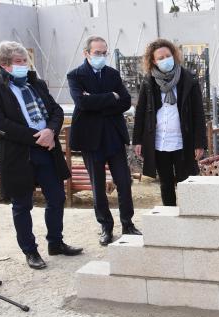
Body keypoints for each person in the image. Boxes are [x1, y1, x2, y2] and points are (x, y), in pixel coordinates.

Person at [0, 41, 82, 270]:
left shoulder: (37, 84)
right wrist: (38, 136)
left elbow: (55, 111)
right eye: (18, 62)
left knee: (56, 198)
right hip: (18, 155)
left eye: (25, 61)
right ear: (3, 65)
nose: (24, 65)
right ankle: (30, 251)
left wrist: (51, 131)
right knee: (22, 204)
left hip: (47, 151)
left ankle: (55, 243)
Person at [67, 36, 141, 246]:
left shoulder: (113, 74)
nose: (101, 56)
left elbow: (125, 101)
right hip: (91, 138)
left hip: (113, 136)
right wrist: (111, 97)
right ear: (86, 53)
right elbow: (81, 102)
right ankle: (105, 227)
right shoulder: (76, 75)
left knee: (124, 182)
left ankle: (128, 223)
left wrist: (96, 100)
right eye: (97, 52)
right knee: (98, 186)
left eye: (104, 52)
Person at [133, 38, 207, 206]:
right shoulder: (148, 81)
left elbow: (198, 113)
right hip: (159, 141)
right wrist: (137, 140)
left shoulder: (189, 79)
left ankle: (189, 213)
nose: (165, 60)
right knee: (165, 183)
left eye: (168, 55)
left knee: (186, 180)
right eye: (160, 58)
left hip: (183, 141)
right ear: (153, 61)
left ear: (174, 55)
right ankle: (169, 215)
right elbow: (141, 111)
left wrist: (199, 142)